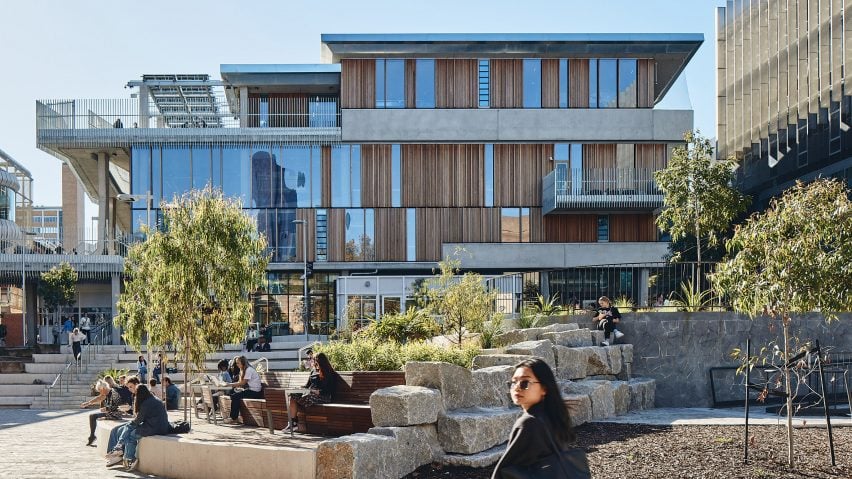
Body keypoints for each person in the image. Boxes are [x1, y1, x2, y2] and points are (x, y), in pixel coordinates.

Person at [492, 358, 585, 479]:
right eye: (513, 382)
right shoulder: (552, 416)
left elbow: (502, 471)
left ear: (544, 388)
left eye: (525, 383)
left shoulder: (529, 423)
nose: (517, 387)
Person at [105, 384, 169, 471]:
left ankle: (129, 458)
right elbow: (140, 419)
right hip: (157, 425)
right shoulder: (152, 399)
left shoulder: (147, 403)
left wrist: (130, 424)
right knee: (121, 429)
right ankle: (119, 450)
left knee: (132, 434)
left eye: (136, 393)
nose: (135, 395)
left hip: (155, 427)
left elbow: (138, 420)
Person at [285, 352, 339, 432]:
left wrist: (318, 392)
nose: (314, 363)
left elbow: (331, 389)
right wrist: (301, 389)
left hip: (324, 396)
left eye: (315, 361)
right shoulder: (313, 371)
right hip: (311, 394)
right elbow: (307, 385)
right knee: (293, 396)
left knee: (308, 397)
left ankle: (302, 404)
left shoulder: (330, 373)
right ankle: (293, 423)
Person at [80, 377, 125, 446]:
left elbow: (118, 406)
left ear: (103, 389)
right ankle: (92, 436)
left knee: (93, 416)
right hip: (110, 413)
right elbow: (99, 398)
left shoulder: (114, 392)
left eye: (100, 391)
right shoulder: (106, 393)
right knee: (92, 416)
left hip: (116, 414)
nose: (100, 392)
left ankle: (92, 437)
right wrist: (88, 403)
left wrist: (106, 408)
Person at [223, 356, 263, 424]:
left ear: (243, 363)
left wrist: (229, 384)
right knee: (233, 394)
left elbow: (242, 383)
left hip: (255, 392)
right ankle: (236, 416)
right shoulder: (243, 370)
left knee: (235, 396)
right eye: (236, 363)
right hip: (251, 390)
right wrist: (231, 385)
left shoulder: (249, 370)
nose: (237, 365)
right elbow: (241, 383)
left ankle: (234, 418)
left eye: (238, 363)